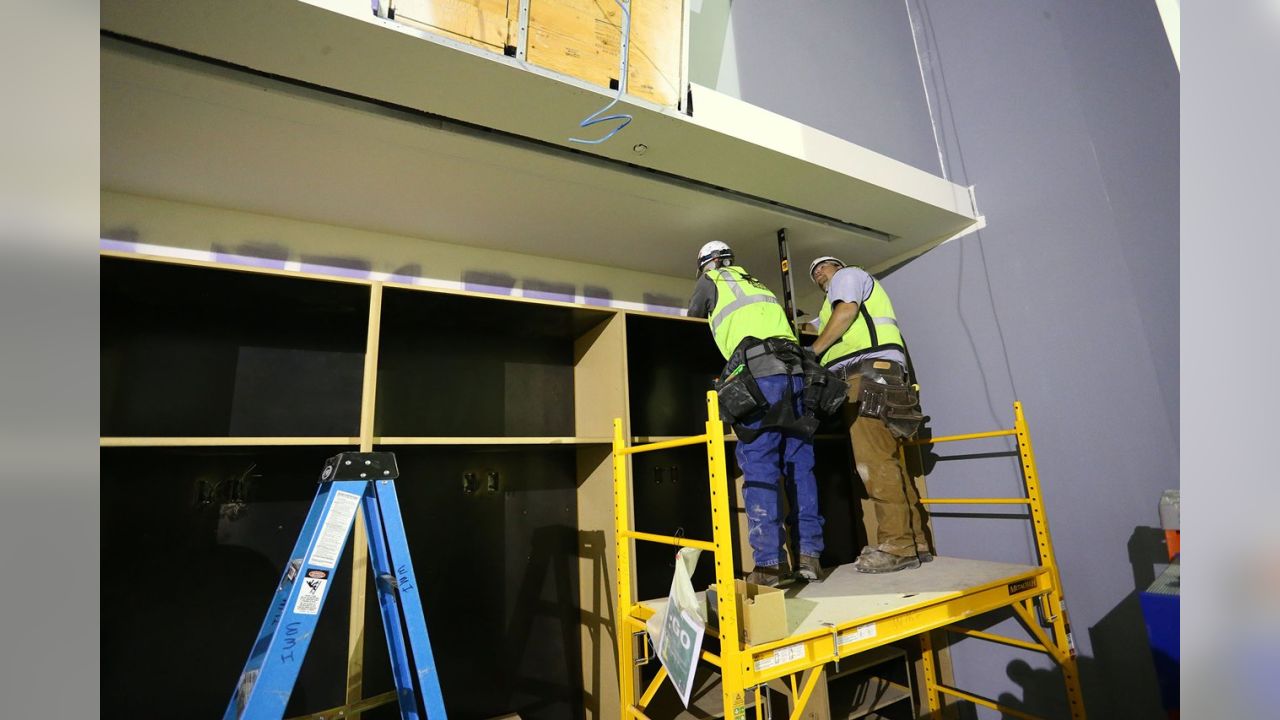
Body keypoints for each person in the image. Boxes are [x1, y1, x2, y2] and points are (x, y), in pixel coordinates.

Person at [687, 241, 824, 587]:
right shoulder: (758, 283)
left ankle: (768, 565)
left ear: (708, 262)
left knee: (760, 462)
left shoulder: (711, 280)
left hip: (760, 376)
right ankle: (810, 558)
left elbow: (692, 318)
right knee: (799, 465)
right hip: (796, 376)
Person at [807, 256, 930, 573]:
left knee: (873, 462)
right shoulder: (833, 300)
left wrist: (812, 352)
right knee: (888, 460)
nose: (818, 272)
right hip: (879, 376)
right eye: (813, 272)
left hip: (866, 376)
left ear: (839, 266)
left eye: (824, 266)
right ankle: (915, 542)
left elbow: (845, 312)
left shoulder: (847, 277)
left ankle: (897, 547)